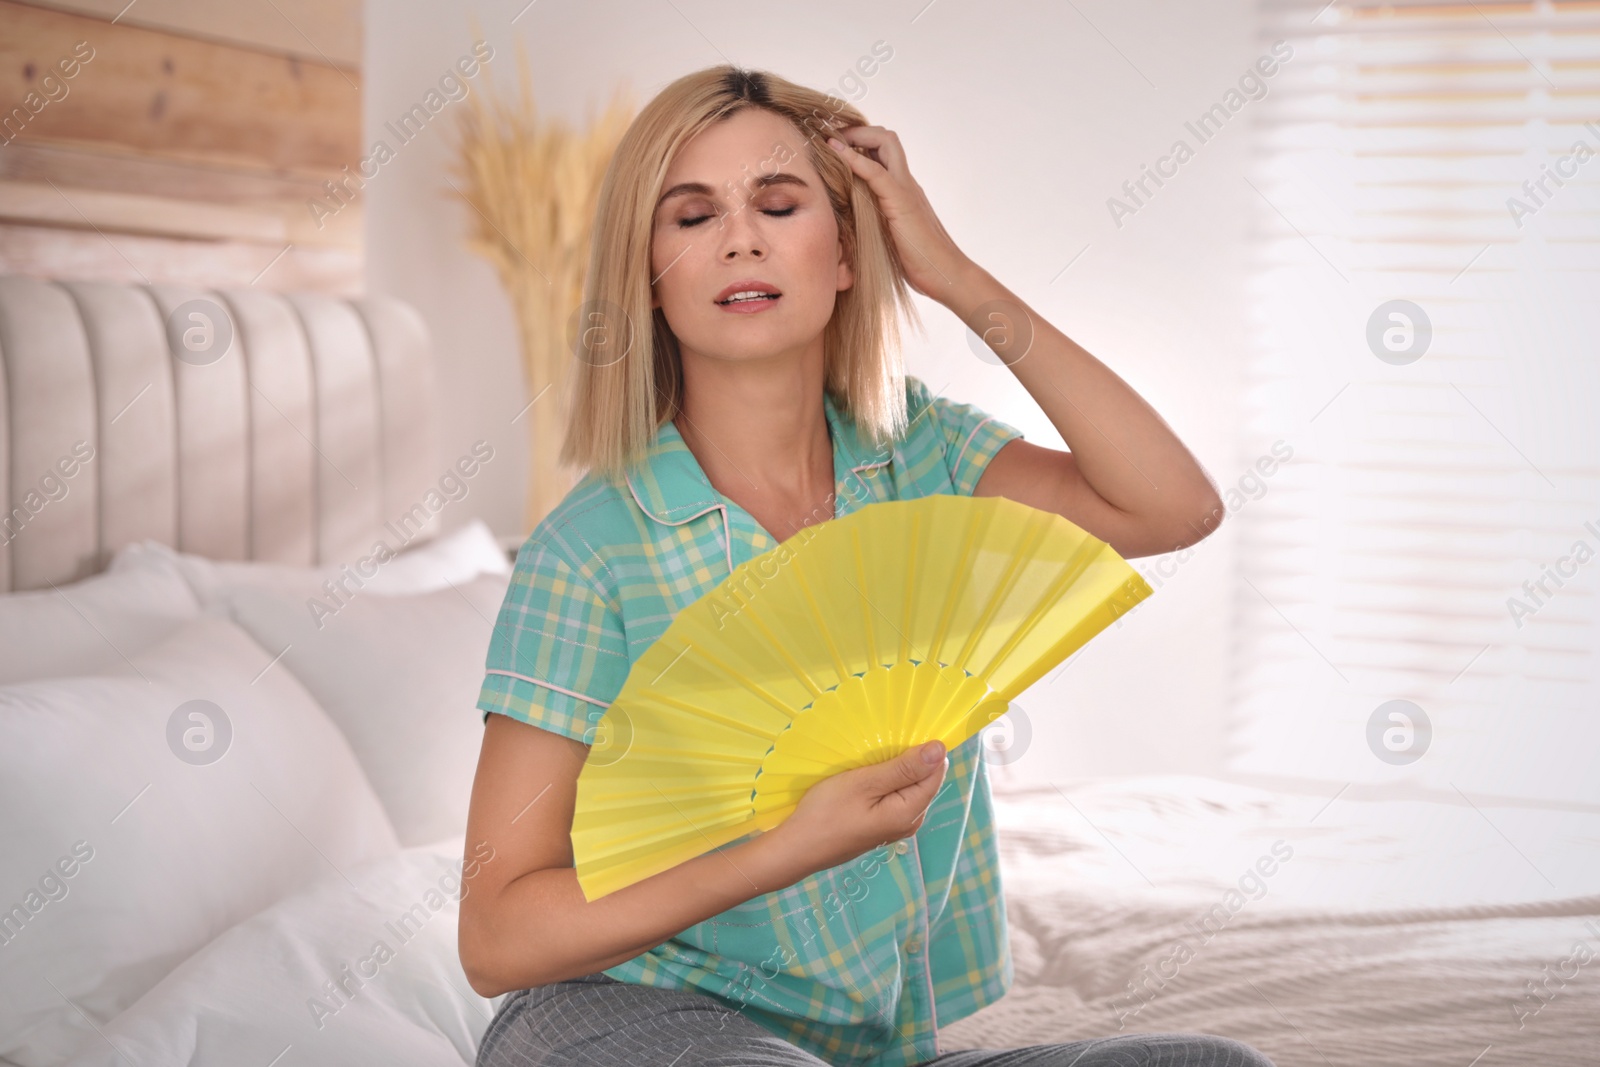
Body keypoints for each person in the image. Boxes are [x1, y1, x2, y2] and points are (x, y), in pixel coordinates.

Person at [461, 63, 1269, 1067]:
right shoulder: (590, 547)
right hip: (623, 1013)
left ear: (844, 252)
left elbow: (1172, 505)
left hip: (857, 1043)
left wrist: (953, 275)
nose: (740, 237)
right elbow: (495, 935)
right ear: (647, 275)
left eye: (779, 201)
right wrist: (781, 851)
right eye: (690, 215)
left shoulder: (923, 457)